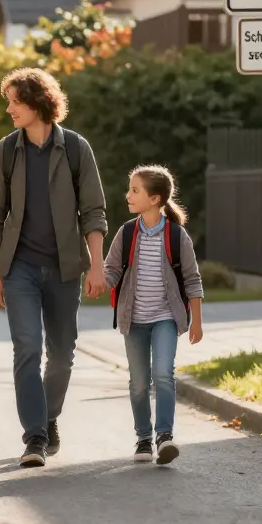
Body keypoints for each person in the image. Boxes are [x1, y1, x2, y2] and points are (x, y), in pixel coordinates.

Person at [0, 67, 108, 468]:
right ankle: (34, 436)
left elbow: (93, 211)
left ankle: (48, 416)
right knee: (27, 349)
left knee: (62, 354)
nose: (9, 109)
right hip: (18, 268)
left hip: (65, 267)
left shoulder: (74, 149)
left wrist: (97, 265)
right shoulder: (5, 151)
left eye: (15, 101)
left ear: (38, 102)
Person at [103, 165, 204, 465]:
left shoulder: (176, 235)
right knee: (138, 382)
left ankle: (164, 436)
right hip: (133, 319)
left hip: (164, 318)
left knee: (163, 374)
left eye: (135, 190)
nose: (128, 195)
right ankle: (143, 438)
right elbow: (110, 270)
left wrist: (196, 320)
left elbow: (192, 278)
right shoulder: (127, 233)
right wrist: (99, 281)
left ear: (155, 198)